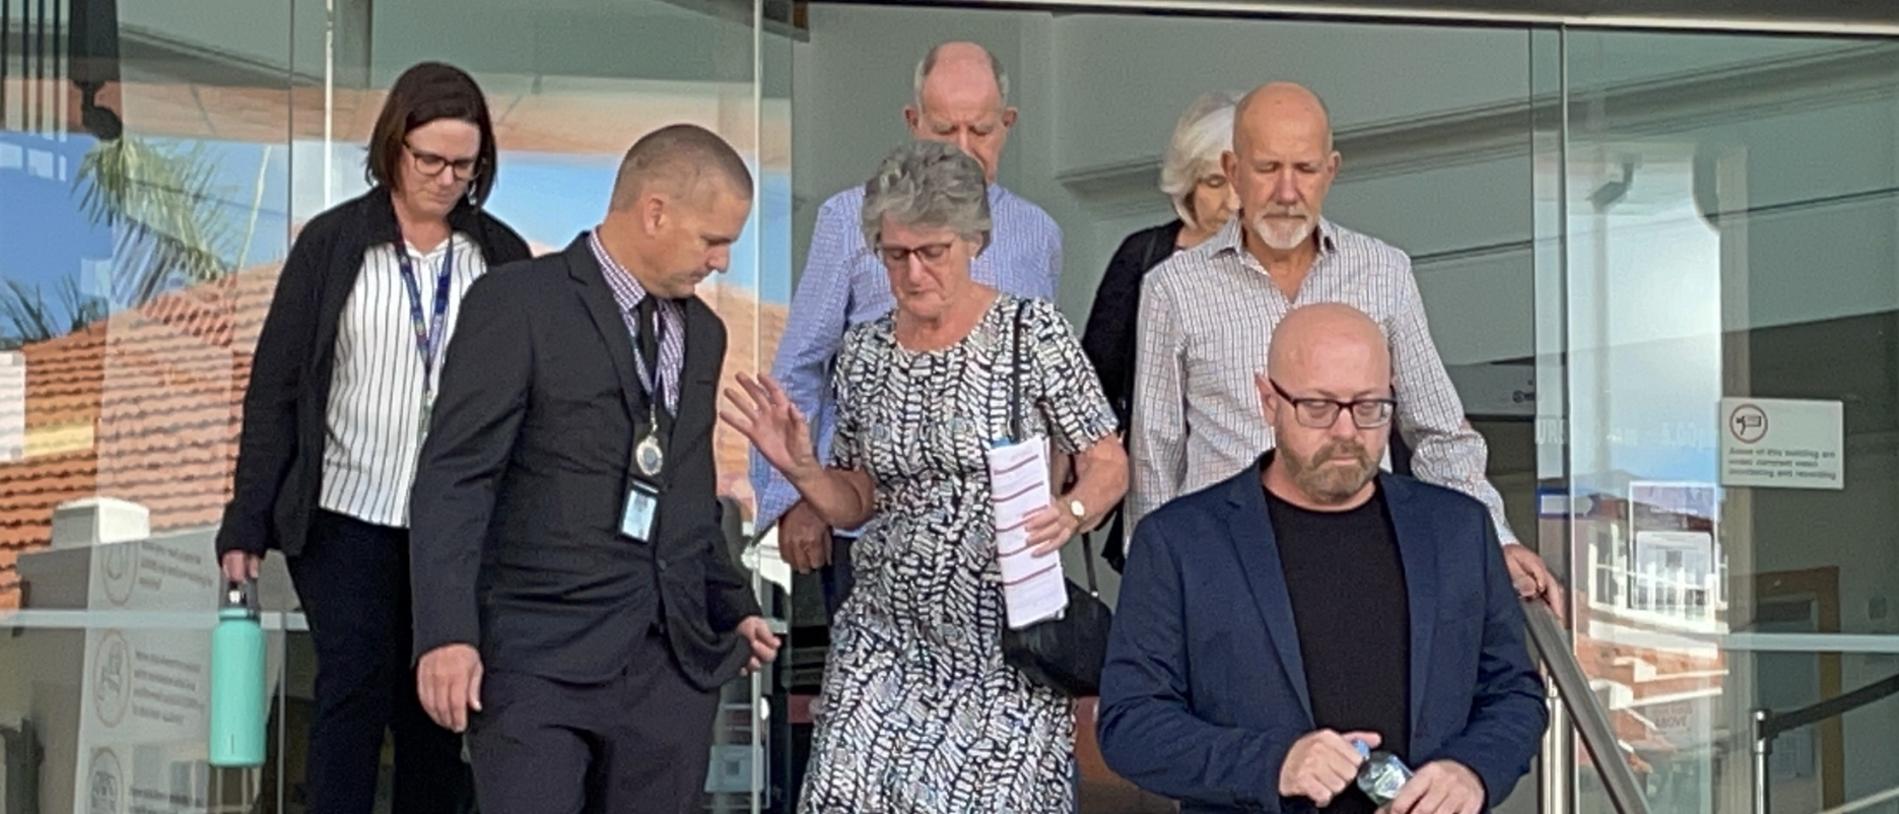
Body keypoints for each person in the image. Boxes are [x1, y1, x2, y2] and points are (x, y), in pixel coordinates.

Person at [723, 141, 1124, 812]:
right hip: (883, 637)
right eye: (894, 254)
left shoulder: (1032, 333)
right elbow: (855, 500)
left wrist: (1073, 512)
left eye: (931, 251)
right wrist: (800, 471)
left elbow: (1107, 460)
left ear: (973, 241)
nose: (912, 273)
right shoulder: (865, 351)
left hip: (1004, 648)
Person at [406, 123, 781, 814]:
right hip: (538, 657)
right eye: (712, 239)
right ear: (655, 210)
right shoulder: (518, 302)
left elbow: (687, 491)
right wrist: (446, 634)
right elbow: (455, 478)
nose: (723, 261)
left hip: (666, 668)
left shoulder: (703, 333)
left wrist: (731, 604)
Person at [213, 61, 529, 814]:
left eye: (464, 164)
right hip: (345, 514)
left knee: (436, 710)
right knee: (350, 692)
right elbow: (277, 391)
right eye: (431, 160)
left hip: (454, 531)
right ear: (394, 147)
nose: (447, 178)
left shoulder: (500, 256)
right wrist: (247, 520)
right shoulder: (332, 245)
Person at [1127, 81, 1562, 608]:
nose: (1287, 192)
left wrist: (1499, 538)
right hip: (1224, 577)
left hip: (1365, 560)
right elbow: (1156, 457)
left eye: (1305, 170)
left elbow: (1439, 432)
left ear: (1331, 170)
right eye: (1267, 169)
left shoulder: (1383, 272)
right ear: (1233, 169)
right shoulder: (1173, 287)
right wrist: (1151, 597)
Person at [1099, 303, 1547, 814]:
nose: (1346, 432)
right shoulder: (1179, 541)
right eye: (1317, 407)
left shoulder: (1458, 529)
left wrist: (1472, 771)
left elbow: (1514, 692)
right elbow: (1129, 724)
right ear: (1267, 399)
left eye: (1370, 407)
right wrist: (1273, 764)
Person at [751, 41, 1064, 619]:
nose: (965, 150)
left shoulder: (1037, 233)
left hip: (1004, 538)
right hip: (871, 521)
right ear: (913, 122)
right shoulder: (849, 219)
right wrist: (794, 497)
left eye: (983, 130)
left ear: (1009, 124)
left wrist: (1058, 510)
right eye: (945, 130)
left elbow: (1048, 392)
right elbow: (801, 366)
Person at [1080, 90, 1239, 571]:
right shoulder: (1145, 257)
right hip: (1164, 487)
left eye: (1240, 182)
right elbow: (1092, 380)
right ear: (1187, 184)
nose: (1232, 202)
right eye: (1214, 182)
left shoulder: (1284, 263)